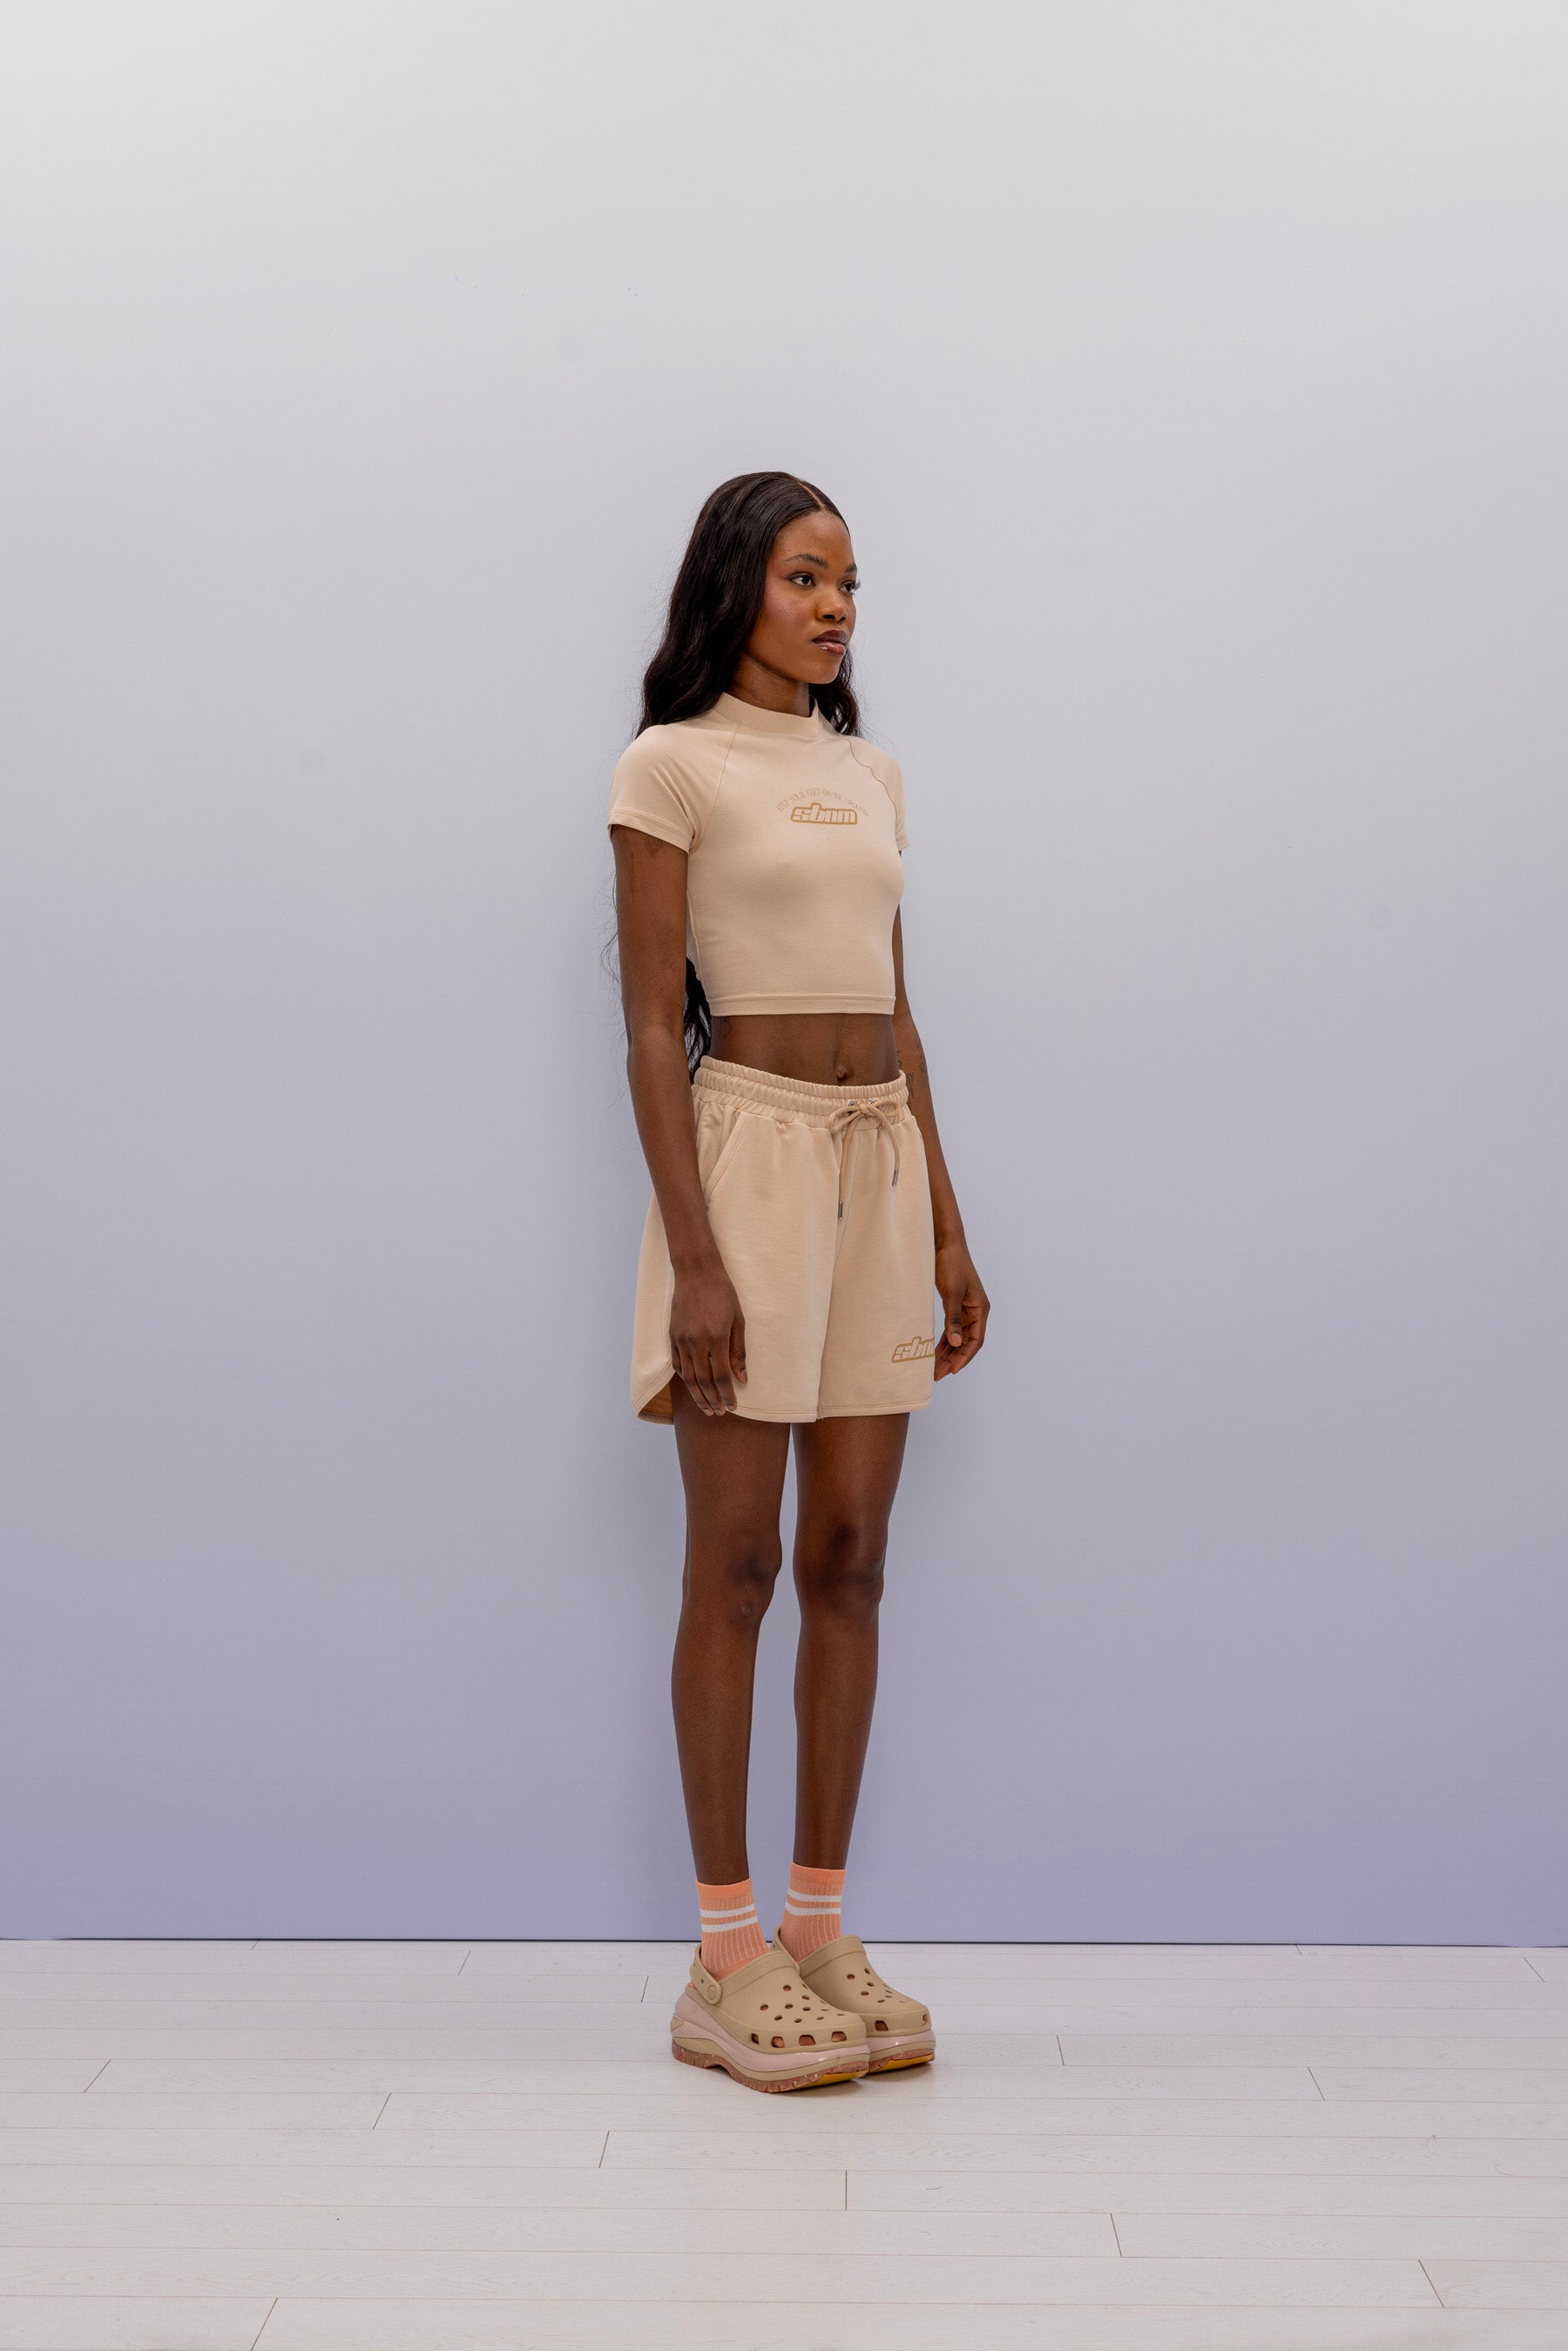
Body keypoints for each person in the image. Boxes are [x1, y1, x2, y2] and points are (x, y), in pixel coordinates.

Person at [609, 471, 989, 2091]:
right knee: (739, 1560)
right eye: (805, 578)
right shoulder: (671, 765)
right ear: (737, 588)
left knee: (850, 1557)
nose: (835, 608)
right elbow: (650, 1028)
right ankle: (721, 1957)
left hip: (877, 1156)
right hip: (746, 1158)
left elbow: (898, 1013)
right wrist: (696, 1255)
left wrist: (948, 1225)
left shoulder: (869, 772)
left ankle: (819, 1928)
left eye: (849, 585)